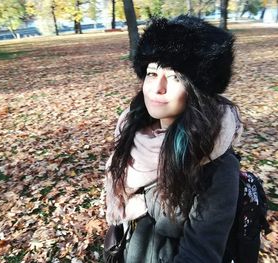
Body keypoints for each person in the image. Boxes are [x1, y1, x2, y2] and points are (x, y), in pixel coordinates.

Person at [104, 15, 244, 262]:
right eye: (152, 73)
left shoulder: (213, 160)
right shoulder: (131, 130)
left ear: (198, 88)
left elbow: (200, 254)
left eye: (176, 77)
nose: (158, 88)